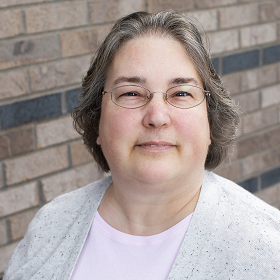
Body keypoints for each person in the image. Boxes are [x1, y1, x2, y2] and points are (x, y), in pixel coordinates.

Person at [4, 11, 280, 280]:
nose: (157, 117)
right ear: (96, 119)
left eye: (181, 93)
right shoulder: (50, 225)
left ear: (210, 120)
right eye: (131, 93)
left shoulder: (267, 250)